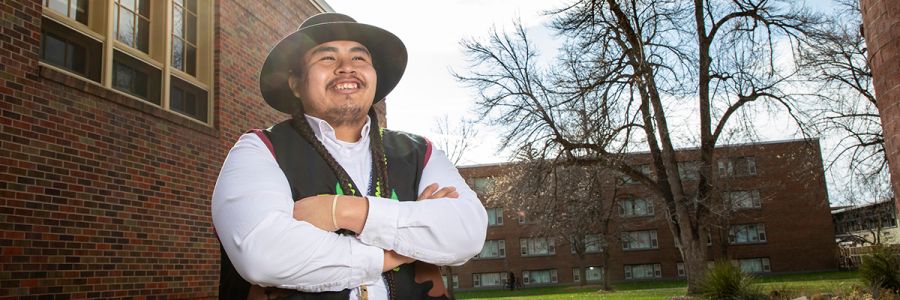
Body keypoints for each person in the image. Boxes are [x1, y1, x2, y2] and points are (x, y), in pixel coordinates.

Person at [211, 12, 488, 300]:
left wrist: (340, 211)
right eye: (327, 58)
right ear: (295, 82)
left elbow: (466, 233)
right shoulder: (258, 150)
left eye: (359, 59)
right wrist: (400, 250)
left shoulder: (421, 152)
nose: (346, 67)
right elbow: (263, 255)